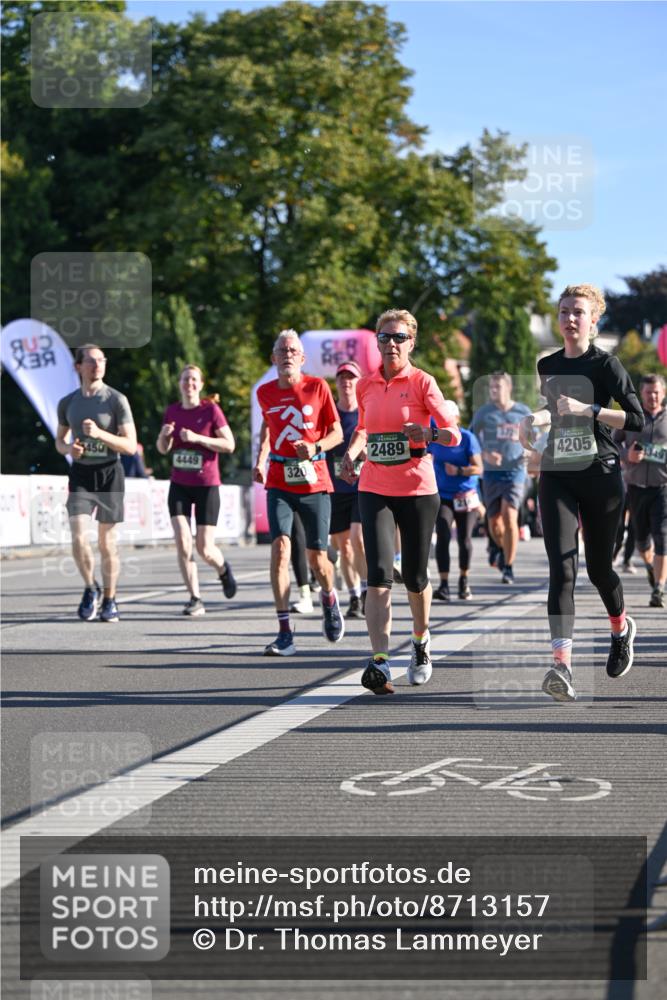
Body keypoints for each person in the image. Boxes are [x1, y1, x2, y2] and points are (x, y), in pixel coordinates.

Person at [520, 284, 644, 702]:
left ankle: (620, 626)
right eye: (564, 311)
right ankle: (562, 666)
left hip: (601, 472)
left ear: (593, 319)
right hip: (557, 470)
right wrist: (532, 420)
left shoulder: (606, 364)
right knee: (562, 568)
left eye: (579, 312)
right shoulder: (548, 364)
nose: (570, 319)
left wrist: (590, 409)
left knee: (598, 569)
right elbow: (556, 411)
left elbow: (636, 420)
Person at [340, 308, 460, 695]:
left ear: (412, 342)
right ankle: (379, 661)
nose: (391, 344)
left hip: (418, 491)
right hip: (374, 487)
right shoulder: (367, 385)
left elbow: (453, 434)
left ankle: (421, 643)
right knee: (377, 575)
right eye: (385, 337)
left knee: (415, 576)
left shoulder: (423, 382)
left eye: (399, 338)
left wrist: (428, 432)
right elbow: (362, 427)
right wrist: (352, 452)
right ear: (376, 342)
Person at [253, 329, 344, 655]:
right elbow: (266, 429)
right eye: (282, 350)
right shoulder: (264, 393)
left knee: (318, 561)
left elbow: (337, 432)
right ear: (274, 358)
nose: (288, 354)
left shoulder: (317, 387)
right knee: (279, 549)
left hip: (315, 482)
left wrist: (315, 446)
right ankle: (285, 632)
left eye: (293, 350)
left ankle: (329, 596)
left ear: (302, 358)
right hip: (279, 480)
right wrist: (261, 460)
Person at [55, 344, 137, 622]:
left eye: (101, 360)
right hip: (81, 474)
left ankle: (110, 600)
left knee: (106, 543)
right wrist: (69, 450)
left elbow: (129, 445)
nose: (97, 365)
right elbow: (59, 441)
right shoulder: (68, 403)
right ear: (78, 367)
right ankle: (91, 587)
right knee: (78, 538)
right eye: (90, 361)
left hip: (109, 473)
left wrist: (101, 434)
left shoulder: (116, 400)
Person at [156, 365, 237, 616]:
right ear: (179, 383)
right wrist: (165, 435)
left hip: (206, 485)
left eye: (193, 379)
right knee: (182, 540)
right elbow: (162, 449)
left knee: (204, 547)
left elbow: (229, 444)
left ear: (200, 384)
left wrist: (198, 438)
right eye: (185, 379)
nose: (188, 383)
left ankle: (223, 569)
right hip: (179, 484)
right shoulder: (172, 411)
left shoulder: (210, 410)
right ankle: (195, 597)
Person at [471, 371, 531, 584]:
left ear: (508, 388)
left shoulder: (523, 412)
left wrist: (528, 451)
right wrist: (485, 454)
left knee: (509, 516)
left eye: (497, 387)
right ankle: (499, 547)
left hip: (516, 471)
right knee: (494, 522)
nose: (493, 391)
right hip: (491, 473)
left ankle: (508, 566)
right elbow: (471, 440)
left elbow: (535, 439)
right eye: (491, 387)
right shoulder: (484, 413)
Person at [613, 373, 667, 607]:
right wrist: (627, 455)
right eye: (648, 392)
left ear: (663, 394)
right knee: (642, 543)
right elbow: (613, 443)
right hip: (635, 488)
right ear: (641, 394)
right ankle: (649, 567)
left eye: (656, 392)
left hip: (662, 489)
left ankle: (659, 589)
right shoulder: (631, 418)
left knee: (662, 538)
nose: (652, 396)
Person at [326, 360, 369, 619]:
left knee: (358, 539)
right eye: (342, 378)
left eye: (351, 377)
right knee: (344, 547)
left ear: (358, 381)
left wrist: (365, 451)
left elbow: (374, 442)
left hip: (361, 486)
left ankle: (365, 592)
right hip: (335, 487)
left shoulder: (366, 412)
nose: (346, 382)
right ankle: (353, 595)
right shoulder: (330, 414)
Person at [428, 403, 483, 601]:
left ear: (457, 419)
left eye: (448, 419)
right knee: (442, 533)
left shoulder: (468, 438)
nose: (444, 423)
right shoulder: (436, 438)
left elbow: (479, 468)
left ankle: (464, 580)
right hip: (443, 494)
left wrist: (460, 471)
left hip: (465, 495)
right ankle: (443, 584)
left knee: (464, 538)